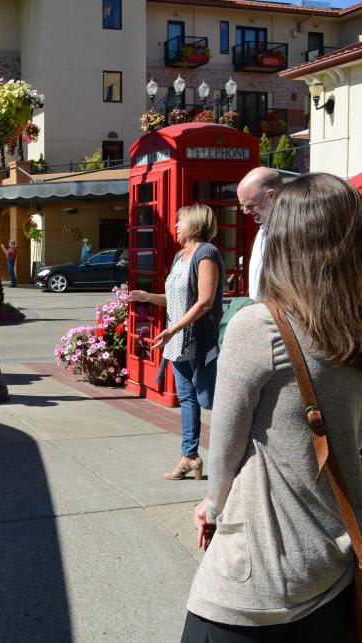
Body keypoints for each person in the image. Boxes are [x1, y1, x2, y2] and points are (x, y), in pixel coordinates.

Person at [181, 173, 362, 641]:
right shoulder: (354, 327)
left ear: (284, 242)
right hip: (339, 561)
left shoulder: (261, 326)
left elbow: (225, 444)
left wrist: (212, 507)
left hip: (260, 570)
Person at [129, 204, 224, 480]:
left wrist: (174, 330)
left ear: (195, 224)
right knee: (187, 398)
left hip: (195, 338)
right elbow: (175, 300)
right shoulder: (179, 256)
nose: (176, 226)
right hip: (176, 339)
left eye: (180, 222)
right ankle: (190, 456)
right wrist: (148, 297)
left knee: (209, 398)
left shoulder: (207, 253)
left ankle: (230, 458)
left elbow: (205, 302)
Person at [236, 166, 281, 300]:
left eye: (250, 205)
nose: (245, 211)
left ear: (271, 195)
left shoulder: (291, 229)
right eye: (243, 206)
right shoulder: (264, 227)